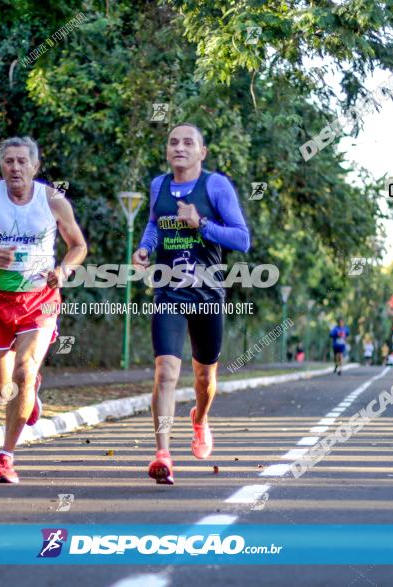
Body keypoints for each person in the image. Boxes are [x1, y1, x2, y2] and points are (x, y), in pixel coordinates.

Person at [0, 136, 87, 484]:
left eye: (22, 161)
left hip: (39, 301)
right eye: (9, 161)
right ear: (2, 166)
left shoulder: (53, 201)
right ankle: (30, 395)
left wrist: (63, 271)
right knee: (1, 392)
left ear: (35, 166)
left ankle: (6, 456)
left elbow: (78, 246)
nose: (15, 167)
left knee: (24, 372)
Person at [132, 122, 250, 485]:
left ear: (202, 152)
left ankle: (199, 419)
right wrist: (145, 248)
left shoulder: (215, 185)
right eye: (173, 142)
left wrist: (201, 224)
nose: (179, 147)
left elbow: (242, 239)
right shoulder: (159, 185)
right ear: (167, 151)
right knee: (166, 372)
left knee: (204, 377)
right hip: (169, 288)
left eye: (188, 142)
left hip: (208, 292)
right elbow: (154, 223)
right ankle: (163, 454)